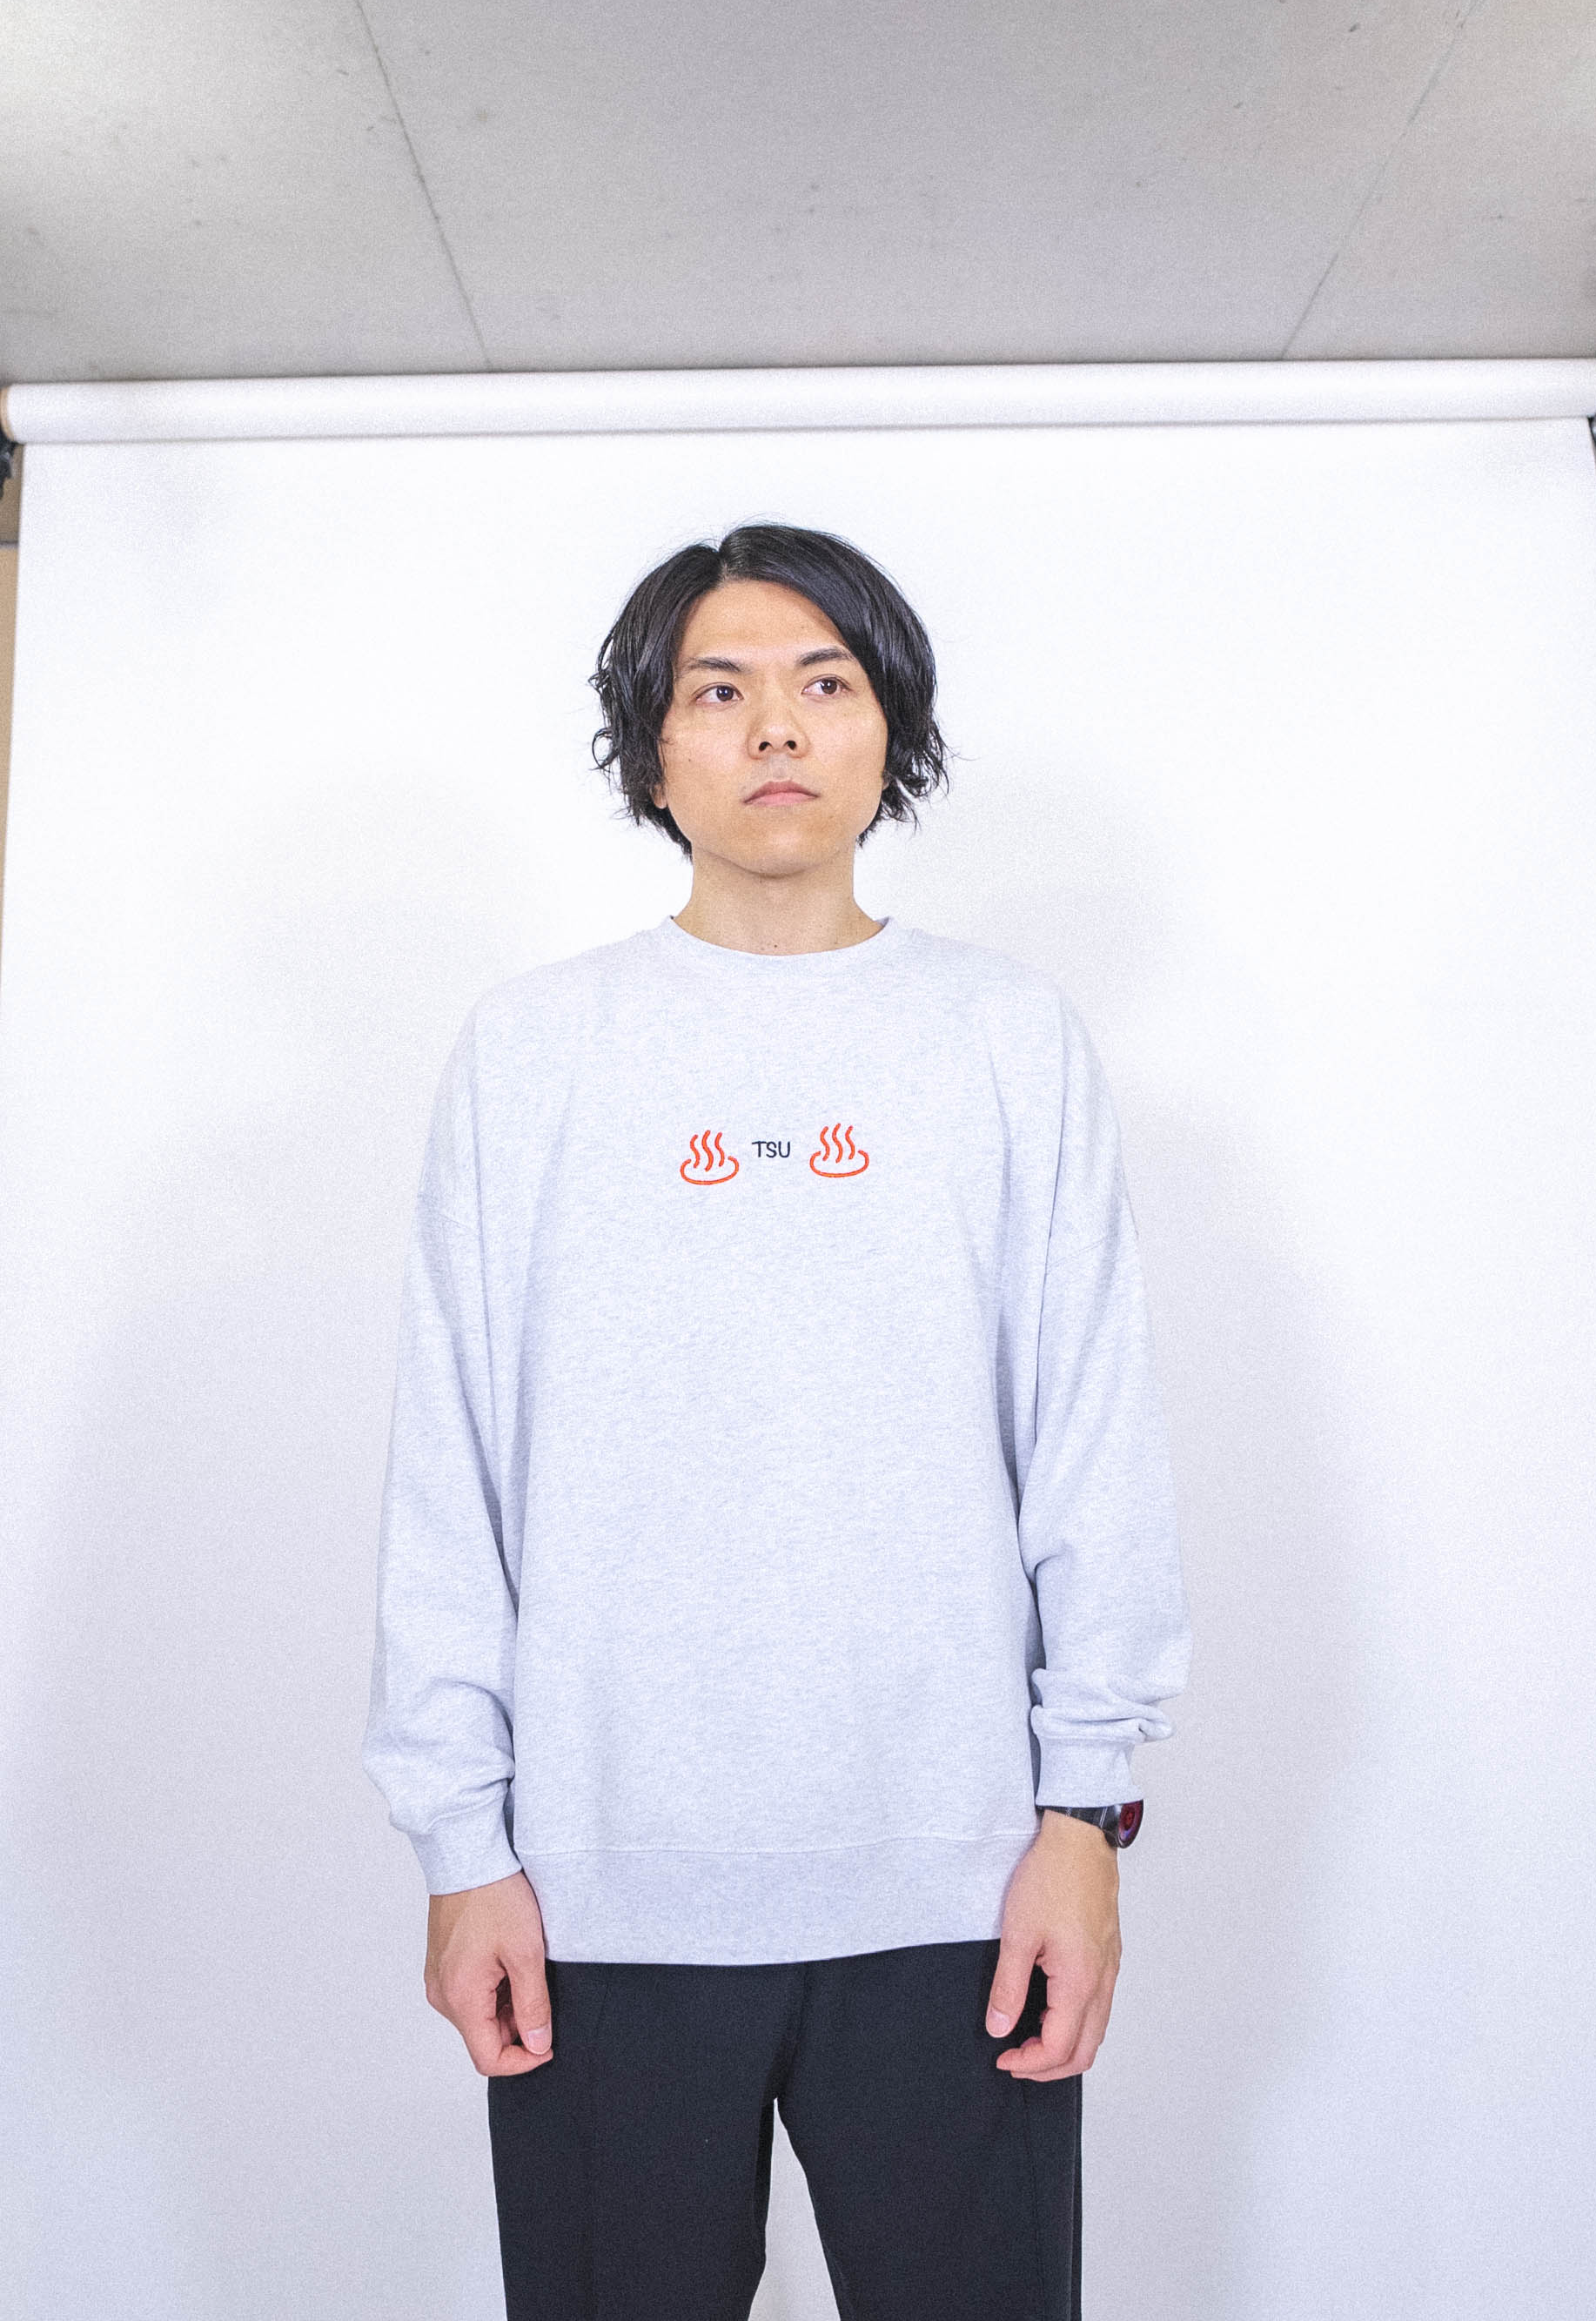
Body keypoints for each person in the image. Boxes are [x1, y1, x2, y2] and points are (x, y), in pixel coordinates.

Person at [361, 522, 1191, 2321]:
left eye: (826, 683)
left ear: (892, 728)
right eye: (718, 691)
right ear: (651, 748)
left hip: (961, 1881)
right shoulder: (535, 1051)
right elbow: (454, 1470)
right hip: (600, 1891)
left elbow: (1090, 1438)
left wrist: (1084, 1815)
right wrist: (461, 1844)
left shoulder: (1005, 1038)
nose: (777, 729)